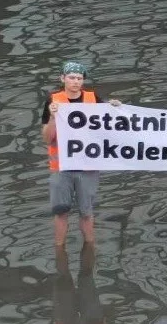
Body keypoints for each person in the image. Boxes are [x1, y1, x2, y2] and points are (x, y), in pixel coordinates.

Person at [40, 60, 121, 247]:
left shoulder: (94, 99)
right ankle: (59, 249)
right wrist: (53, 117)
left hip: (88, 165)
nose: (76, 81)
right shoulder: (53, 101)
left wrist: (116, 108)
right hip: (61, 166)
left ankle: (89, 248)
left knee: (86, 211)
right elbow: (47, 138)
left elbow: (111, 124)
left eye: (79, 78)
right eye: (71, 78)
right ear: (63, 78)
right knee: (60, 211)